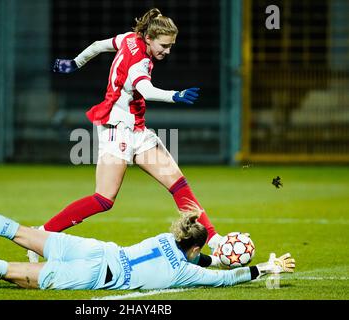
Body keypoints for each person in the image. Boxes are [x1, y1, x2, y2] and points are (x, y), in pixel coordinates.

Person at [31, 8, 222, 261]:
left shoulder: (129, 38)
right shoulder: (140, 61)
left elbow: (99, 45)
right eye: (164, 45)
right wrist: (175, 95)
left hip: (136, 129)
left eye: (171, 46)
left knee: (178, 184)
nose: (168, 51)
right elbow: (147, 88)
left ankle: (216, 240)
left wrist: (75, 63)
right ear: (150, 38)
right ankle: (39, 235)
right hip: (116, 130)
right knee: (103, 199)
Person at [0, 198, 295, 290]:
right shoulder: (183, 271)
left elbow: (204, 259)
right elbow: (224, 278)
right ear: (195, 250)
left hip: (95, 249)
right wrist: (266, 268)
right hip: (95, 275)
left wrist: (218, 258)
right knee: (12, 272)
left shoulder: (167, 238)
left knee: (18, 231)